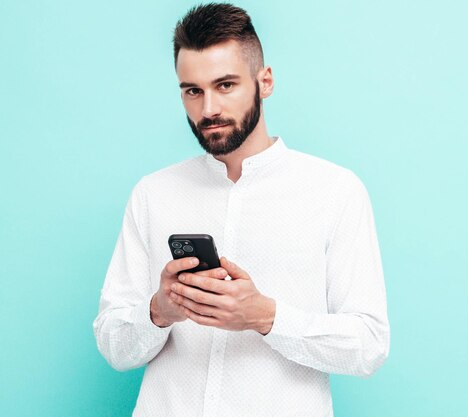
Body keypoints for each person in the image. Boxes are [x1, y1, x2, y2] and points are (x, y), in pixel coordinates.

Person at [93, 3, 389, 416]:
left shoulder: (334, 191)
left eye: (225, 85)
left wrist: (265, 316)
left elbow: (369, 345)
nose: (208, 108)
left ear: (264, 82)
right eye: (192, 90)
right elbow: (112, 345)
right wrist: (159, 309)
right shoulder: (153, 193)